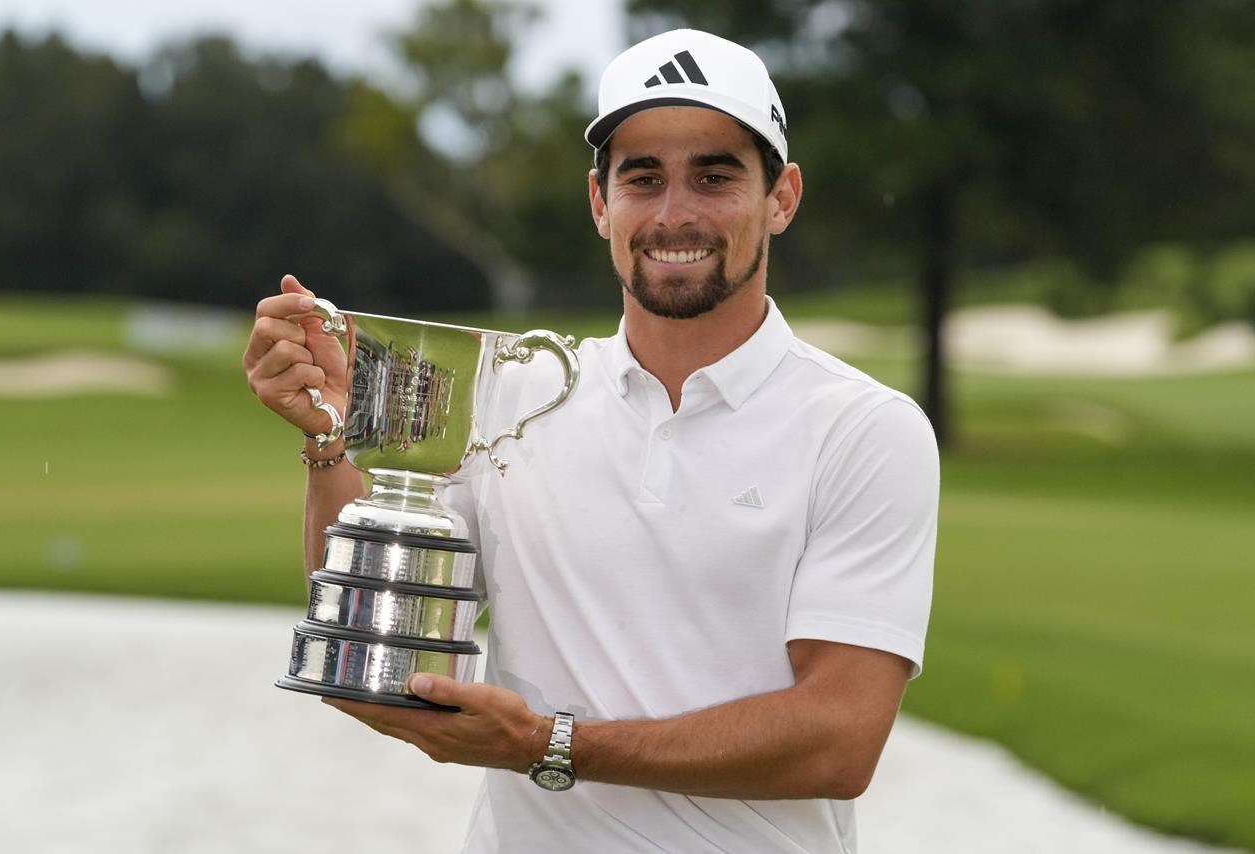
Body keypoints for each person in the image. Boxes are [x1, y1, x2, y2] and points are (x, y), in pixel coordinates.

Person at [243, 28, 938, 854]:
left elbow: (839, 737)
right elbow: (375, 637)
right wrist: (331, 443)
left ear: (781, 197)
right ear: (600, 201)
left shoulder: (863, 427)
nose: (675, 213)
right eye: (642, 178)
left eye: (714, 176)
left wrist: (551, 747)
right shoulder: (510, 392)